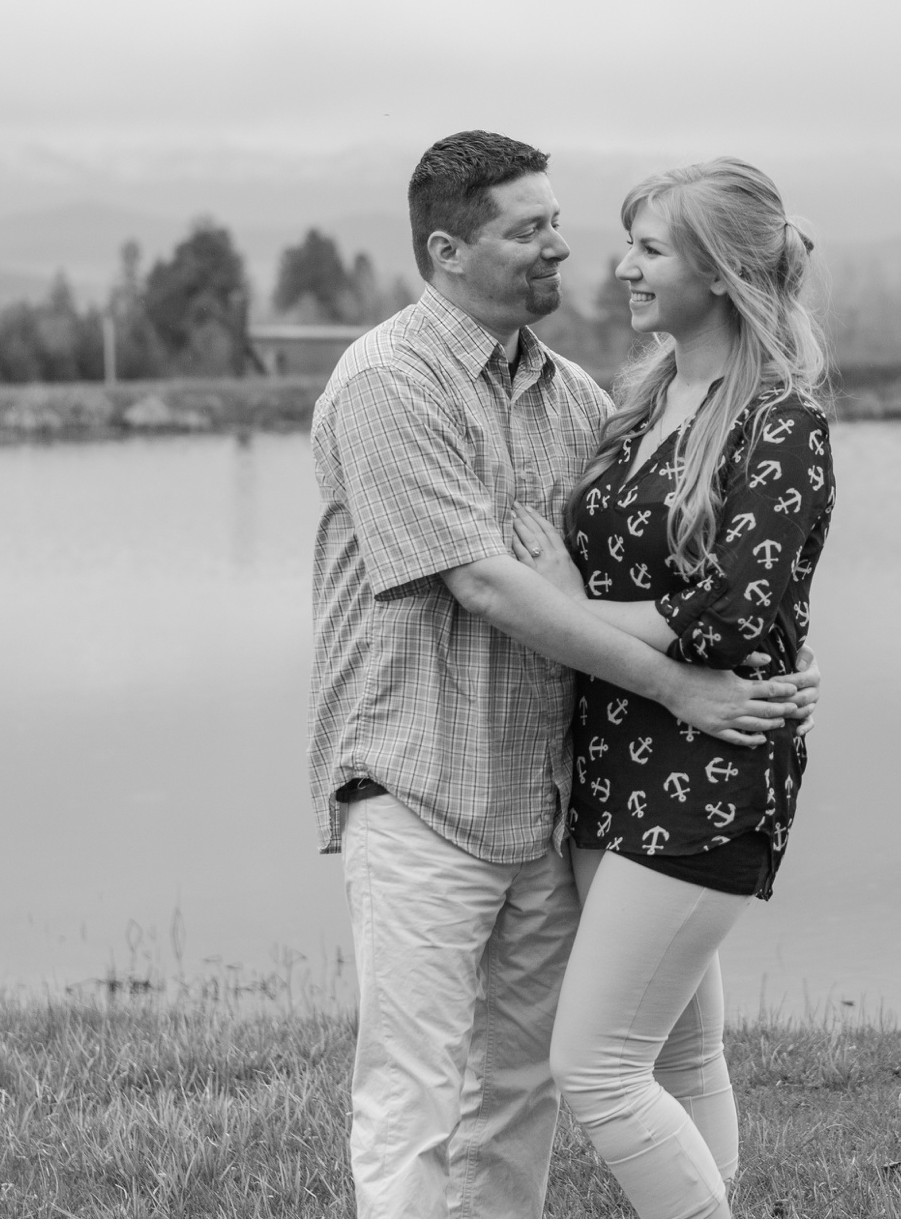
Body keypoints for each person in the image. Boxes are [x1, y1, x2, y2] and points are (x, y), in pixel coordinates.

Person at [307, 131, 821, 1218]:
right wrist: (683, 682)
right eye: (528, 229)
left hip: (549, 798)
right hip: (423, 786)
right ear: (448, 250)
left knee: (524, 1084)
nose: (565, 249)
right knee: (414, 1095)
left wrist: (765, 644)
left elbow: (716, 571)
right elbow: (487, 587)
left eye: (558, 222)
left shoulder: (581, 397)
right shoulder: (389, 383)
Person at [507, 158, 835, 1218]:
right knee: (685, 1060)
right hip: (610, 758)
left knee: (595, 1070)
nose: (622, 266)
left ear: (722, 271)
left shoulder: (780, 420)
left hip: (711, 768)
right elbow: (676, 595)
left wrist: (570, 606)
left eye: (649, 248)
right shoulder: (643, 399)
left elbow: (740, 613)